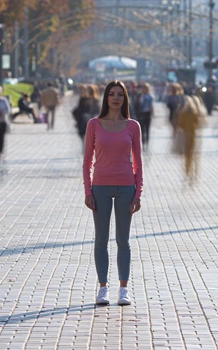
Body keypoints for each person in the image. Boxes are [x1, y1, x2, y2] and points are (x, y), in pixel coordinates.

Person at [82, 80, 143, 306]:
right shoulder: (94, 125)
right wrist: (88, 191)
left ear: (125, 99)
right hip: (100, 188)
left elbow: (138, 163)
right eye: (112, 94)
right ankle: (103, 288)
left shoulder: (133, 126)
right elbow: (87, 161)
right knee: (101, 240)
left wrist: (138, 194)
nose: (116, 98)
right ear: (106, 98)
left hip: (126, 186)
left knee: (123, 240)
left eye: (120, 94)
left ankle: (124, 289)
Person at [176, 95, 206, 183]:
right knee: (193, 153)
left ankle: (187, 170)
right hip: (193, 135)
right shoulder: (195, 112)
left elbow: (180, 124)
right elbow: (198, 123)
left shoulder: (183, 113)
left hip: (186, 135)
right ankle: (193, 170)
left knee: (187, 154)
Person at [136, 83, 154, 148]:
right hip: (141, 113)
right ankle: (143, 142)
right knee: (142, 129)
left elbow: (151, 105)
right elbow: (137, 104)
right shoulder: (140, 95)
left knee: (147, 129)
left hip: (148, 113)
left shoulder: (150, 96)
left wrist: (152, 113)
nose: (145, 89)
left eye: (146, 88)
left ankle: (147, 142)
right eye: (144, 88)